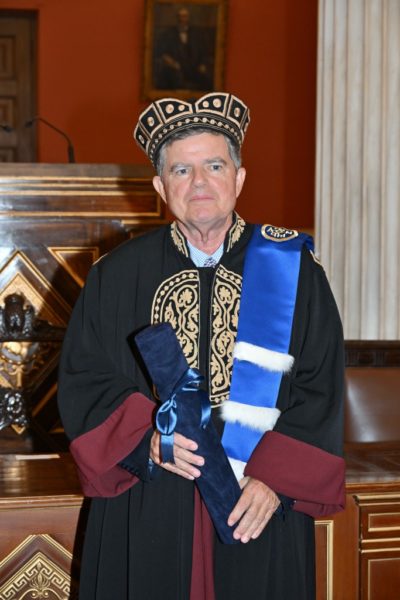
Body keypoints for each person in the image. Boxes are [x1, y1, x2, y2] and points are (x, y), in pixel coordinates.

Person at [57, 92, 346, 600]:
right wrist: (145, 440)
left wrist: (274, 481)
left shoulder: (295, 270)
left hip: (256, 500)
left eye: (214, 166)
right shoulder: (116, 276)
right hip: (150, 500)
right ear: (160, 186)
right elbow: (86, 379)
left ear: (239, 178)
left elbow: (320, 384)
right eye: (181, 170)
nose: (199, 183)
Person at [154, 6, 214, 90]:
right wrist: (172, 62)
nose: (182, 19)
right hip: (176, 67)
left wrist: (203, 64)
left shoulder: (197, 34)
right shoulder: (169, 34)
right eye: (180, 16)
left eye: (185, 16)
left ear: (188, 18)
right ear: (177, 18)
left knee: (207, 82)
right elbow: (162, 53)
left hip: (195, 67)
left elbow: (203, 52)